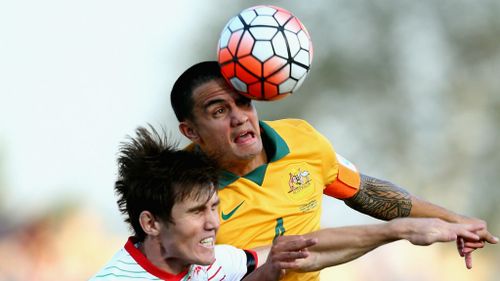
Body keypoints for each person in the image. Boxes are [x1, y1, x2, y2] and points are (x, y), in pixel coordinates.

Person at [170, 61, 498, 281]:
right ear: (191, 132)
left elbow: (364, 191)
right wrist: (398, 231)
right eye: (219, 110)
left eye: (243, 102)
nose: (240, 117)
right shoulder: (178, 194)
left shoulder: (302, 141)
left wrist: (456, 221)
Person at [90, 126, 485, 281]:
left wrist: (404, 229)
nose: (213, 222)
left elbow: (295, 253)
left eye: (214, 207)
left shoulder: (205, 263)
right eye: (198, 212)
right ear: (151, 222)